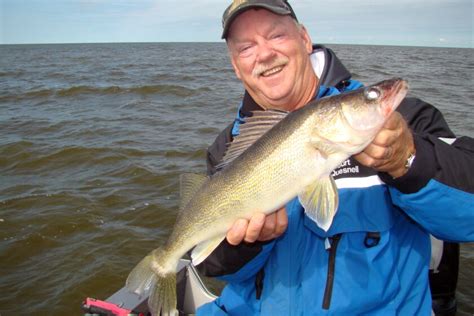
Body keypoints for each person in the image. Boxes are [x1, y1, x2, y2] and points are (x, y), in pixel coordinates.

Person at [195, 1, 474, 315]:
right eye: (246, 47)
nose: (264, 54)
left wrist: (408, 159)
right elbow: (215, 267)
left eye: (276, 36)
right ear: (236, 65)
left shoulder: (403, 118)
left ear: (304, 39)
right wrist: (247, 244)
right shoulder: (229, 147)